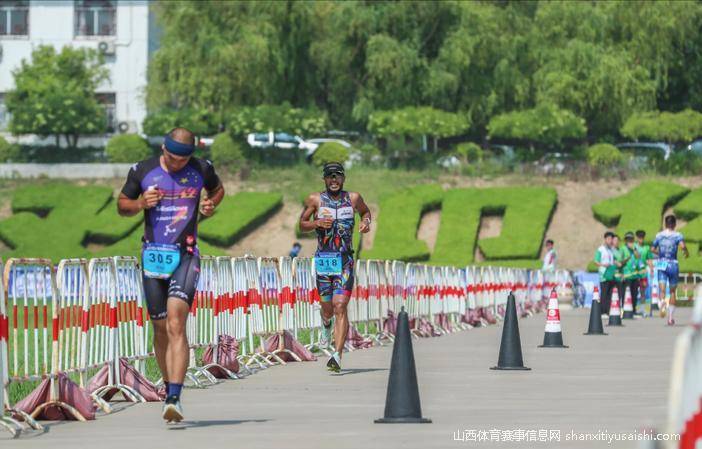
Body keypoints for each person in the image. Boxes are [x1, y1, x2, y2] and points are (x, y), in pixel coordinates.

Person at [117, 127, 224, 422]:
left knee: (177, 321)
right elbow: (122, 205)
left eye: (183, 160)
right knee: (160, 327)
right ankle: (168, 388)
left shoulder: (202, 169)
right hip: (153, 256)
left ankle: (175, 397)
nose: (177, 164)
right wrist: (140, 204)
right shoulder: (142, 170)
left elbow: (217, 190)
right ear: (163, 149)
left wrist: (211, 204)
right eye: (172, 158)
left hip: (186, 255)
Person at [298, 162, 371, 372]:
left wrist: (366, 222)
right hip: (324, 260)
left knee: (340, 306)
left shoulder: (353, 198)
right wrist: (316, 223)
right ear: (324, 179)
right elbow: (302, 224)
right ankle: (326, 322)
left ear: (343, 178)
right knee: (328, 308)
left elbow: (365, 212)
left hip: (345, 261)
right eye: (329, 176)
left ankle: (337, 355)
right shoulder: (315, 199)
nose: (333, 180)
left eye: (337, 176)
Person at [652, 215, 689, 326]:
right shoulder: (678, 235)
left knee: (662, 290)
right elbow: (682, 246)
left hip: (662, 263)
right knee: (672, 292)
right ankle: (670, 318)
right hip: (673, 264)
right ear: (675, 224)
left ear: (665, 224)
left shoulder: (659, 235)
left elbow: (652, 249)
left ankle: (662, 302)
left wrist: (661, 254)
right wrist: (686, 252)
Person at [593, 232, 616, 314]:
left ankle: (608, 311)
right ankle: (602, 311)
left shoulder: (611, 250)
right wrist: (603, 265)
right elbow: (596, 261)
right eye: (609, 239)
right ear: (605, 239)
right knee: (604, 293)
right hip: (604, 274)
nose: (610, 241)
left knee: (610, 294)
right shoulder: (600, 249)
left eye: (611, 239)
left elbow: (613, 261)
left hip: (610, 274)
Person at [635, 230, 654, 315]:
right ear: (637, 238)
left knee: (643, 291)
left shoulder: (646, 248)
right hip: (634, 272)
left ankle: (643, 309)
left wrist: (652, 269)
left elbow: (649, 259)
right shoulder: (634, 247)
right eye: (639, 238)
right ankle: (632, 309)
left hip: (643, 272)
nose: (641, 239)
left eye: (642, 238)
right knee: (633, 290)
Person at [621, 232, 640, 314]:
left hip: (635, 275)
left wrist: (634, 249)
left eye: (631, 240)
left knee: (634, 293)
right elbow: (621, 262)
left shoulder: (635, 248)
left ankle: (634, 310)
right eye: (628, 240)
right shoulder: (622, 249)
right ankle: (625, 309)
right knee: (626, 293)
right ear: (625, 241)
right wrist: (627, 258)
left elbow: (638, 257)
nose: (630, 241)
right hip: (626, 275)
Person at [611, 234, 628, 309]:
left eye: (618, 240)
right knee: (612, 293)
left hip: (620, 275)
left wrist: (625, 261)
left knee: (620, 293)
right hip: (612, 275)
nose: (617, 242)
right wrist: (616, 262)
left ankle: (619, 308)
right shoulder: (610, 250)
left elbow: (622, 264)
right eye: (615, 240)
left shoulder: (621, 250)